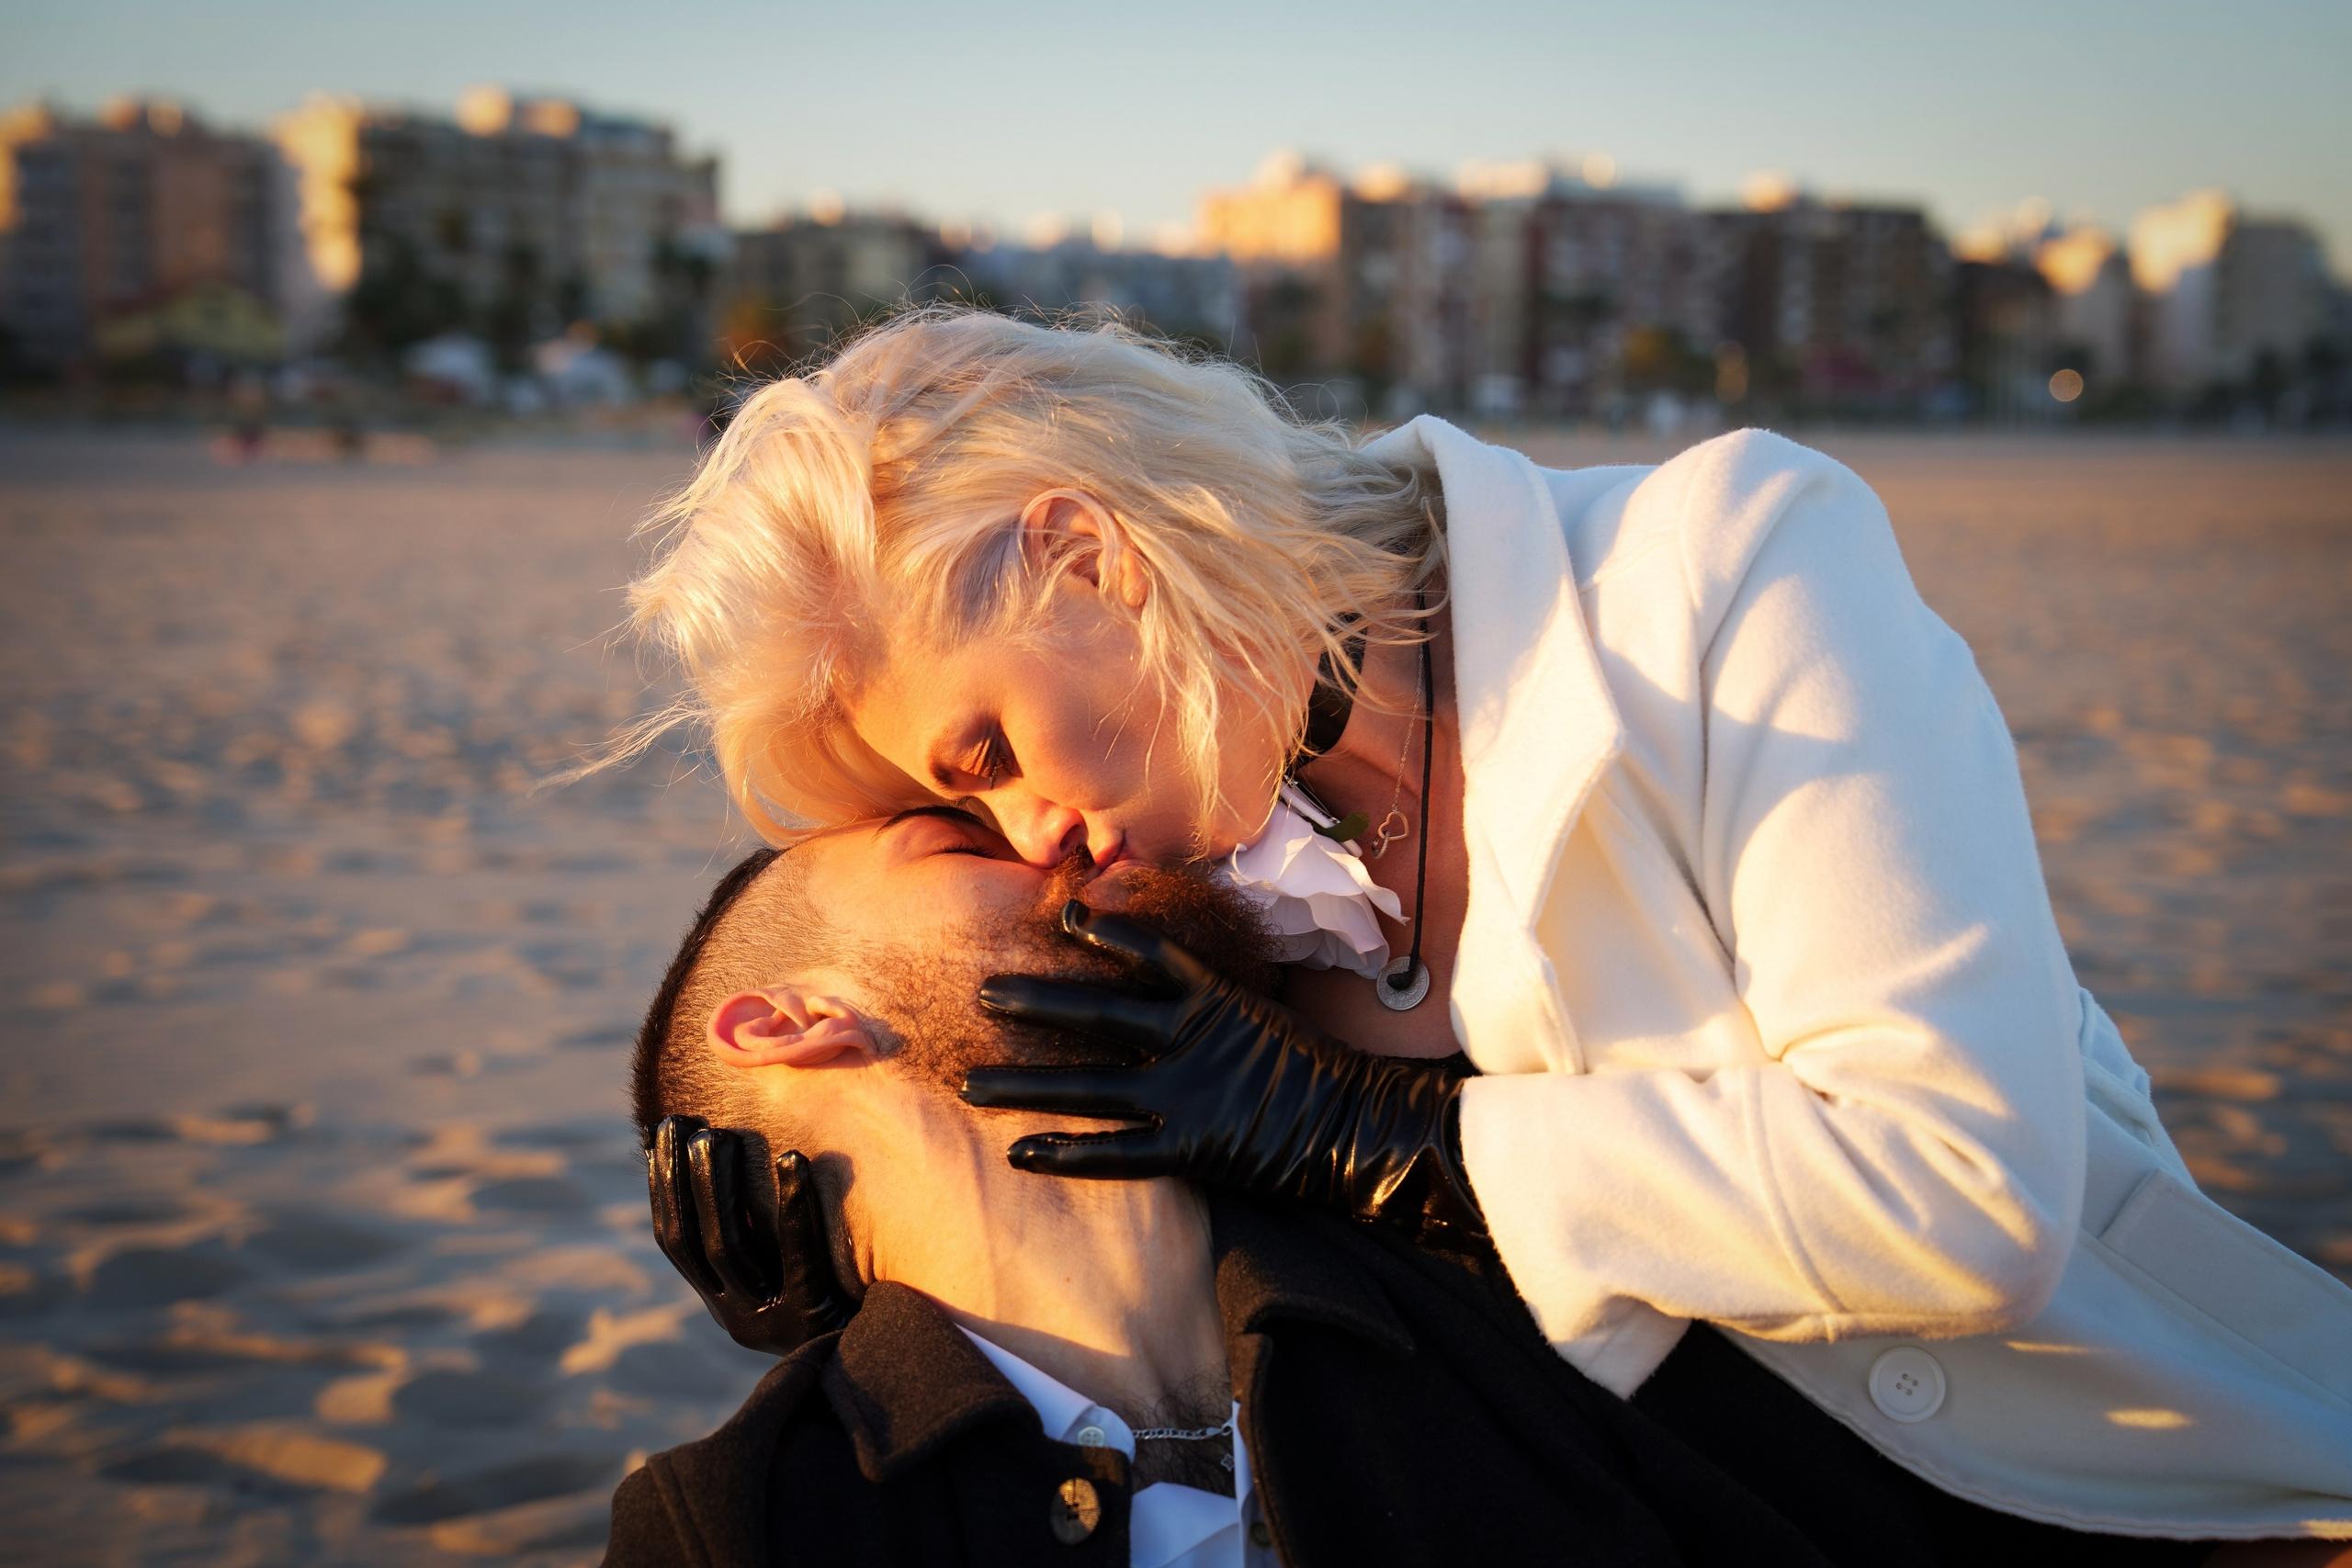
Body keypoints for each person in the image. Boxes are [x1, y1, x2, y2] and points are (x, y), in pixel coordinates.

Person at [620, 309, 2352, 1553]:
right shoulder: (1194, 844)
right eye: (964, 810)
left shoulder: (1720, 573)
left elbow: (1964, 1193)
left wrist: (1381, 1134)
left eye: (988, 751)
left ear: (1086, 556)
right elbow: (1095, 1144)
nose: (1027, 837)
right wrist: (845, 1244)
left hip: (2129, 1487)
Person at [607, 811, 1842, 1567]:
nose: (1059, 826)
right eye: (963, 841)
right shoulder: (746, 1522)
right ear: (794, 1021)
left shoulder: (1493, 1271)